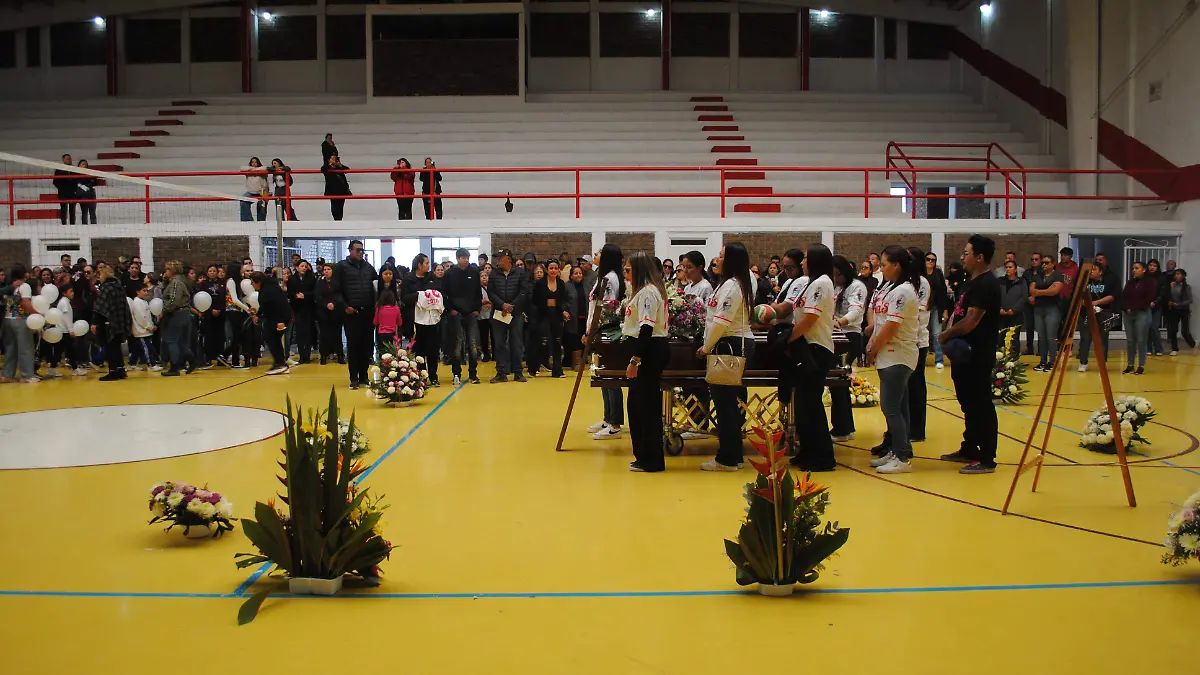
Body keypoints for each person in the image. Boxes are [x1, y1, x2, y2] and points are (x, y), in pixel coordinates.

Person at [939, 234, 1002, 475]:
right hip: (963, 355)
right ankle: (969, 448)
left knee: (980, 404)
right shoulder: (969, 282)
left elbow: (971, 320)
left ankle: (986, 457)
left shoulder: (987, 284)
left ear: (979, 257)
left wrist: (946, 335)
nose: (962, 257)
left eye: (967, 253)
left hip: (977, 353)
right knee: (967, 403)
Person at [864, 246, 921, 474]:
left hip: (898, 355)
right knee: (893, 407)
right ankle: (897, 449)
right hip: (887, 355)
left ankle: (903, 458)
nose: (881, 267)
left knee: (891, 407)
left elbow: (891, 326)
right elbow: (878, 320)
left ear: (897, 265)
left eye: (884, 263)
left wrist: (873, 348)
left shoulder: (904, 291)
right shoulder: (889, 286)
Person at [698, 242, 754, 471]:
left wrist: (705, 347)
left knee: (726, 405)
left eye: (721, 256)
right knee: (725, 404)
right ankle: (732, 455)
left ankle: (728, 458)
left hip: (730, 345)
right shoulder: (726, 284)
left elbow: (721, 321)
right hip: (725, 343)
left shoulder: (733, 286)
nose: (717, 260)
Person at [787, 243, 838, 471]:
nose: (802, 262)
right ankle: (807, 450)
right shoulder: (810, 284)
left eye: (806, 258)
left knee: (812, 405)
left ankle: (823, 457)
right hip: (806, 347)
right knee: (803, 405)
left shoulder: (821, 283)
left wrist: (788, 338)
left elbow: (809, 318)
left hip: (816, 349)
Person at [622, 252, 671, 472]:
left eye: (628, 270)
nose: (626, 273)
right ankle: (642, 454)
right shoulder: (642, 292)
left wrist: (635, 359)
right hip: (643, 349)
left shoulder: (649, 292)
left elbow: (646, 328)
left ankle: (651, 459)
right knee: (636, 405)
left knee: (646, 406)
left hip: (648, 351)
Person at [829, 255, 867, 442]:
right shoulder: (836, 287)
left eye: (837, 275)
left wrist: (840, 322)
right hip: (835, 335)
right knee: (837, 383)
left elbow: (856, 309)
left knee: (838, 380)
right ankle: (843, 426)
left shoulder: (857, 286)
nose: (835, 279)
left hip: (849, 336)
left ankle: (843, 428)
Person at [332, 240, 378, 389]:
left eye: (362, 250)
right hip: (351, 313)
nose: (360, 253)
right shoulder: (341, 267)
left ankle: (364, 376)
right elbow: (336, 290)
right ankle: (354, 378)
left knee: (366, 345)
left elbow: (376, 285)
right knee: (353, 346)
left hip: (368, 311)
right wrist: (345, 307)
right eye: (357, 250)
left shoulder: (368, 267)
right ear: (350, 250)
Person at [486, 248, 531, 383]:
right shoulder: (494, 274)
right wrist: (502, 305)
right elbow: (491, 292)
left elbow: (524, 292)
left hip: (515, 314)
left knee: (516, 343)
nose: (497, 261)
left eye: (500, 258)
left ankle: (518, 372)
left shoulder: (520, 273)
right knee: (499, 343)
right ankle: (501, 372)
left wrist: (512, 306)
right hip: (499, 313)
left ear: (508, 259)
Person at [444, 248, 481, 385]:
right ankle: (456, 373)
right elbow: (444, 294)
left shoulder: (474, 272)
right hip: (456, 313)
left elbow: (478, 292)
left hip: (471, 313)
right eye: (463, 258)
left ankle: (473, 374)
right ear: (458, 258)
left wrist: (477, 309)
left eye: (467, 257)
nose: (466, 260)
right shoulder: (450, 274)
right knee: (457, 344)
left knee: (472, 344)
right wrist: (451, 309)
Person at [405, 253, 443, 386]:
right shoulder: (408, 279)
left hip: (432, 320)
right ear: (419, 265)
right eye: (426, 263)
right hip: (416, 321)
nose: (428, 265)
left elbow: (438, 293)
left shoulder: (432, 278)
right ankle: (421, 376)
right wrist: (419, 296)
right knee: (419, 350)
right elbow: (404, 298)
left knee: (433, 349)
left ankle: (433, 376)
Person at [93, 262, 133, 381]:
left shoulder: (105, 288)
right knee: (116, 347)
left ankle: (113, 371)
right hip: (119, 321)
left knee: (110, 347)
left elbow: (101, 308)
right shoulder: (118, 286)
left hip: (108, 323)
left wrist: (95, 323)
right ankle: (121, 370)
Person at [533, 259, 570, 379]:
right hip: (543, 314)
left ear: (558, 270)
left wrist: (563, 310)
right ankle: (534, 367)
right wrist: (545, 303)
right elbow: (535, 300)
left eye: (555, 268)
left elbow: (563, 300)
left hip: (556, 314)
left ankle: (557, 370)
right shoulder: (540, 283)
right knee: (542, 341)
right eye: (551, 268)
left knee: (557, 341)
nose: (553, 270)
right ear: (547, 270)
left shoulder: (561, 283)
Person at [1, 264, 38, 382]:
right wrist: (35, 313)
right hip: (20, 319)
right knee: (26, 347)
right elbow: (25, 302)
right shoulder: (24, 286)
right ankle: (26, 375)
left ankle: (7, 375)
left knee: (10, 348)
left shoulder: (9, 286)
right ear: (24, 274)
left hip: (8, 319)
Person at [1078, 262, 1116, 372]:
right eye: (1090, 270)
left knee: (1102, 339)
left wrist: (1095, 303)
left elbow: (1112, 296)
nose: (1091, 271)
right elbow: (1077, 295)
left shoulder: (1108, 281)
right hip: (1085, 313)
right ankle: (1083, 362)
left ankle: (1102, 363)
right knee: (1085, 338)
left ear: (1101, 271)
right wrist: (1085, 303)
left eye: (1094, 269)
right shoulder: (1084, 282)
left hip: (1103, 313)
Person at [251, 272, 292, 375]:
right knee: (272, 339)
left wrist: (280, 321)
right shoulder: (265, 288)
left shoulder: (270, 289)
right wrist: (258, 314)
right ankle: (280, 362)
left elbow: (279, 305)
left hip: (279, 318)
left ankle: (280, 363)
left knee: (272, 339)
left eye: (253, 282)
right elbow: (265, 305)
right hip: (272, 317)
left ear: (259, 282)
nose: (251, 284)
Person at [159, 261, 195, 377]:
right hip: (185, 313)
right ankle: (193, 361)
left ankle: (174, 367)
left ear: (172, 270)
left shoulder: (175, 283)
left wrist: (164, 311)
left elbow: (174, 300)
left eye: (167, 269)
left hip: (176, 314)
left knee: (172, 340)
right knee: (183, 342)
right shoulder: (182, 281)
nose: (165, 272)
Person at [1029, 255, 1064, 372]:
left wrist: (1039, 292)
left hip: (1052, 308)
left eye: (1047, 262)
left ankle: (1052, 362)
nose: (1044, 265)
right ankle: (1042, 361)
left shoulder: (1057, 275)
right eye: (1043, 262)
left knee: (1051, 336)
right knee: (1041, 336)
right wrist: (1045, 291)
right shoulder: (1037, 275)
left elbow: (1055, 291)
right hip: (1039, 308)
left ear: (1053, 264)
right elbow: (1032, 291)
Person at [1122, 261, 1156, 375]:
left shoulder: (1150, 282)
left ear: (1144, 270)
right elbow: (1124, 296)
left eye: (1137, 268)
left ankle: (1141, 365)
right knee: (1130, 340)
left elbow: (1149, 298)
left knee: (1141, 340)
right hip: (1128, 314)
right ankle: (1130, 365)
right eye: (1133, 268)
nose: (1134, 270)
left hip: (1142, 313)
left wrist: (1134, 307)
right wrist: (1126, 308)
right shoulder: (1130, 282)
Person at [315, 262, 345, 365]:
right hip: (323, 312)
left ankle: (340, 355)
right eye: (325, 270)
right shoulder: (320, 283)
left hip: (336, 311)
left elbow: (341, 295)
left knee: (337, 334)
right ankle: (323, 355)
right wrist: (326, 304)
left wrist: (334, 303)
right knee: (324, 335)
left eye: (328, 269)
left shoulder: (338, 283)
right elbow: (317, 296)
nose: (326, 271)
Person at [287, 259, 316, 364]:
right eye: (302, 266)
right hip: (297, 308)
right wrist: (295, 296)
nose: (304, 268)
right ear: (297, 267)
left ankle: (307, 355)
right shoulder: (292, 279)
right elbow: (289, 293)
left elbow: (314, 292)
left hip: (308, 308)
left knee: (308, 333)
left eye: (305, 266)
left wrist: (305, 296)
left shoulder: (311, 278)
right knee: (299, 333)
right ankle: (301, 356)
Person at [926, 252, 949, 368]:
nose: (930, 261)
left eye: (933, 260)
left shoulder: (938, 274)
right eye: (928, 259)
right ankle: (921, 358)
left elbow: (943, 292)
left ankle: (939, 359)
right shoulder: (920, 274)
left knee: (936, 333)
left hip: (936, 307)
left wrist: (945, 309)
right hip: (923, 308)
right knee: (923, 333)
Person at [127, 285, 159, 371]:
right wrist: (150, 327)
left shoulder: (143, 301)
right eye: (144, 291)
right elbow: (141, 317)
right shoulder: (137, 303)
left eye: (147, 291)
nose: (146, 293)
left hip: (145, 329)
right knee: (147, 348)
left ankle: (131, 363)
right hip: (142, 330)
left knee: (137, 347)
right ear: (138, 291)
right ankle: (151, 365)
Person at [1166, 269, 1195, 355]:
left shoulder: (1187, 287)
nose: (1176, 276)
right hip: (1174, 310)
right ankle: (1174, 349)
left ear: (1183, 276)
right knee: (1173, 330)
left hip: (1184, 310)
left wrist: (1178, 304)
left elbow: (1190, 300)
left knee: (1184, 331)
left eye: (1179, 274)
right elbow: (1169, 296)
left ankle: (1193, 344)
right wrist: (1170, 302)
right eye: (1175, 274)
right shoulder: (1172, 285)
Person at [999, 259, 1028, 341]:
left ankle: (1013, 353)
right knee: (1000, 336)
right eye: (1006, 267)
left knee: (1014, 338)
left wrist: (1014, 309)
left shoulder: (1021, 281)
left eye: (1010, 267)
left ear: (1015, 269)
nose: (1008, 269)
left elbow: (1024, 297)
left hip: (1016, 314)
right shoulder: (1000, 281)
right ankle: (1000, 352)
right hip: (1002, 314)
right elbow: (995, 296)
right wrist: (1000, 308)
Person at [1022, 253, 1043, 355]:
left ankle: (1041, 349)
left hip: (1040, 302)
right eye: (1032, 259)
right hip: (1028, 302)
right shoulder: (1027, 273)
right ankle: (1029, 348)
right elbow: (1023, 286)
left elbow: (1044, 287)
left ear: (1041, 260)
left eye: (1036, 259)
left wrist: (1036, 297)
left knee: (1040, 327)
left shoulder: (1043, 273)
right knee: (1029, 326)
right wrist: (1028, 297)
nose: (1034, 261)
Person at [1147, 258, 1169, 357]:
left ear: (1158, 267)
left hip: (1156, 306)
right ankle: (1148, 348)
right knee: (1146, 327)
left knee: (1154, 327)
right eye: (1150, 265)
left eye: (1154, 266)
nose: (1152, 267)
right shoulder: (1144, 277)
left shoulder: (1161, 278)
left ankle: (1158, 348)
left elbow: (1163, 293)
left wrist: (1155, 302)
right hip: (1145, 306)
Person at [322, 155, 352, 221]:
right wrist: (330, 164)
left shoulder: (339, 167)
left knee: (340, 207)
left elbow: (348, 170)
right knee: (334, 208)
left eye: (335, 159)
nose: (334, 160)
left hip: (341, 190)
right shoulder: (327, 167)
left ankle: (339, 220)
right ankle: (336, 220)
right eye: (332, 158)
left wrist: (340, 165)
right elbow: (323, 169)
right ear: (328, 160)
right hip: (332, 190)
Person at [374, 287, 402, 355]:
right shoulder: (396, 309)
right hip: (392, 334)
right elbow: (400, 322)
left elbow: (375, 322)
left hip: (381, 335)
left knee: (382, 354)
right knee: (392, 354)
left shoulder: (379, 309)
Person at [53, 153, 78, 225]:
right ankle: (63, 224)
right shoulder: (59, 170)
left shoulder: (75, 168)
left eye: (70, 158)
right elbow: (55, 182)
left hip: (73, 192)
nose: (69, 160)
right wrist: (62, 188)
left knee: (72, 210)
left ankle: (72, 224)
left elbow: (78, 180)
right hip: (63, 193)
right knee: (63, 209)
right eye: (67, 159)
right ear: (63, 160)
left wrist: (75, 189)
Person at [76, 159, 98, 225]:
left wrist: (91, 182)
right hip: (82, 195)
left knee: (92, 211)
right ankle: (84, 226)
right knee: (84, 211)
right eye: (83, 164)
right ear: (79, 166)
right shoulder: (76, 174)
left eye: (85, 164)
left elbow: (95, 182)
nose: (85, 165)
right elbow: (76, 182)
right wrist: (83, 185)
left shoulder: (90, 173)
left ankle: (94, 225)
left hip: (91, 194)